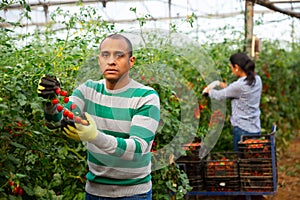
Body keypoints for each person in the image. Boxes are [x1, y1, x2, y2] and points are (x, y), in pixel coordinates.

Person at [38, 34, 161, 199]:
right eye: (105, 55)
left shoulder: (145, 97)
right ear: (99, 60)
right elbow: (58, 121)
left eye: (119, 55)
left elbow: (137, 150)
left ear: (131, 61)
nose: (111, 61)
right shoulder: (88, 90)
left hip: (134, 194)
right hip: (94, 193)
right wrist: (50, 101)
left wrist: (95, 137)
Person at [202, 52, 262, 151]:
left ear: (237, 67)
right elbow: (235, 89)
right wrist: (220, 84)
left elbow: (220, 95)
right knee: (253, 160)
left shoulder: (239, 86)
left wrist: (208, 91)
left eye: (231, 67)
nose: (232, 70)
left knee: (242, 162)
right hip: (255, 128)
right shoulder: (257, 80)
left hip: (242, 130)